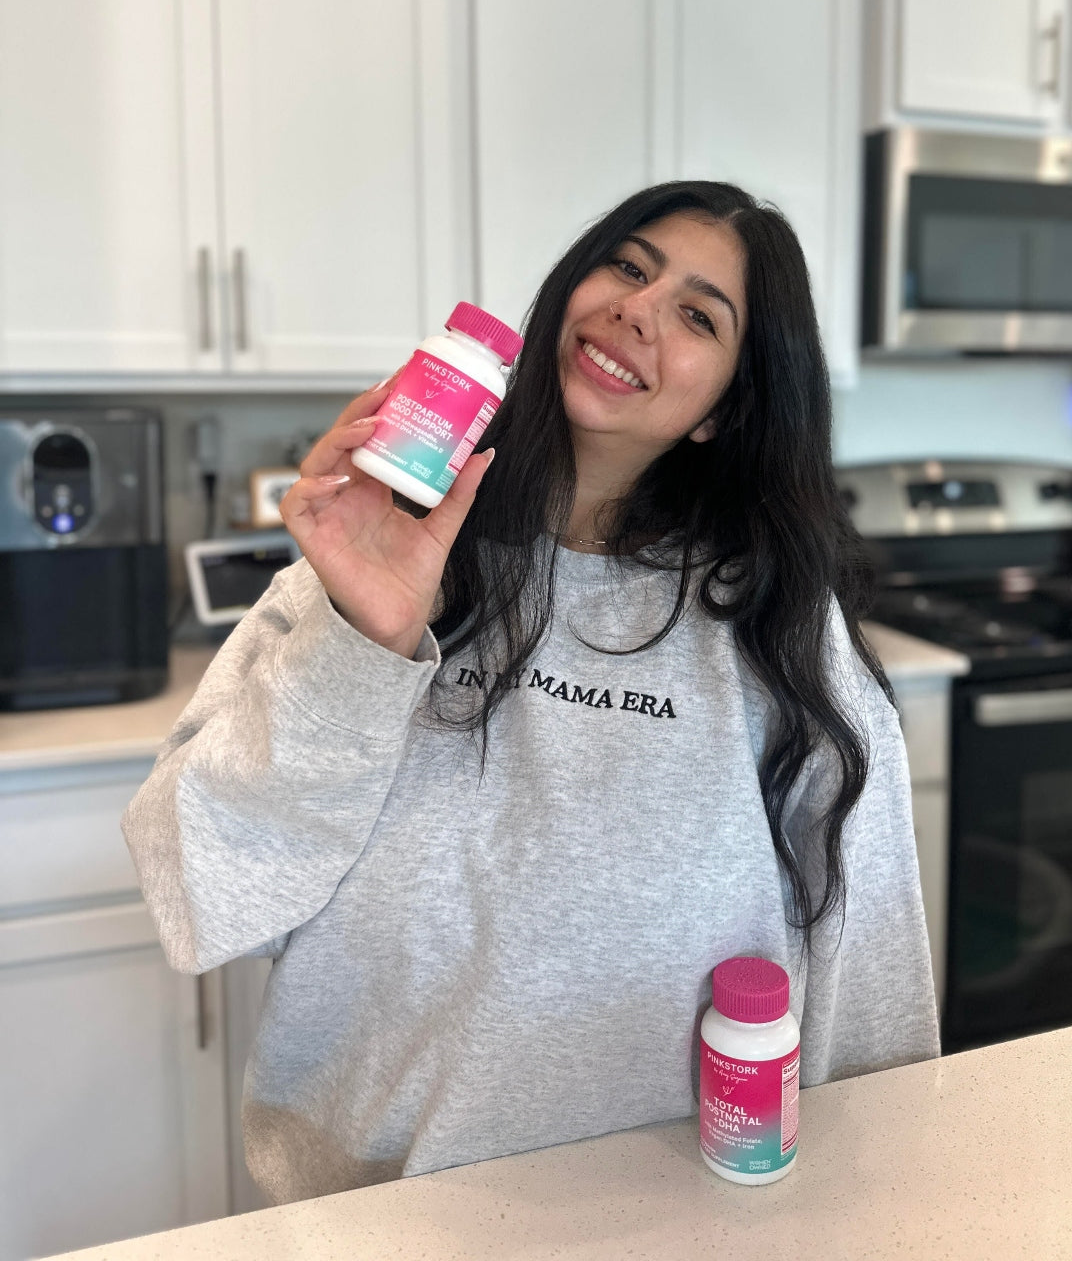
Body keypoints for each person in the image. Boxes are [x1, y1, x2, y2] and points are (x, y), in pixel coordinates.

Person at [122, 180, 938, 1207]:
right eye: (629, 267)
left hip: (673, 1221)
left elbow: (872, 993)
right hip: (371, 1218)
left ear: (724, 409)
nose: (638, 309)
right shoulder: (370, 552)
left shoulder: (778, 631)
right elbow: (200, 893)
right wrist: (360, 639)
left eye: (697, 315)